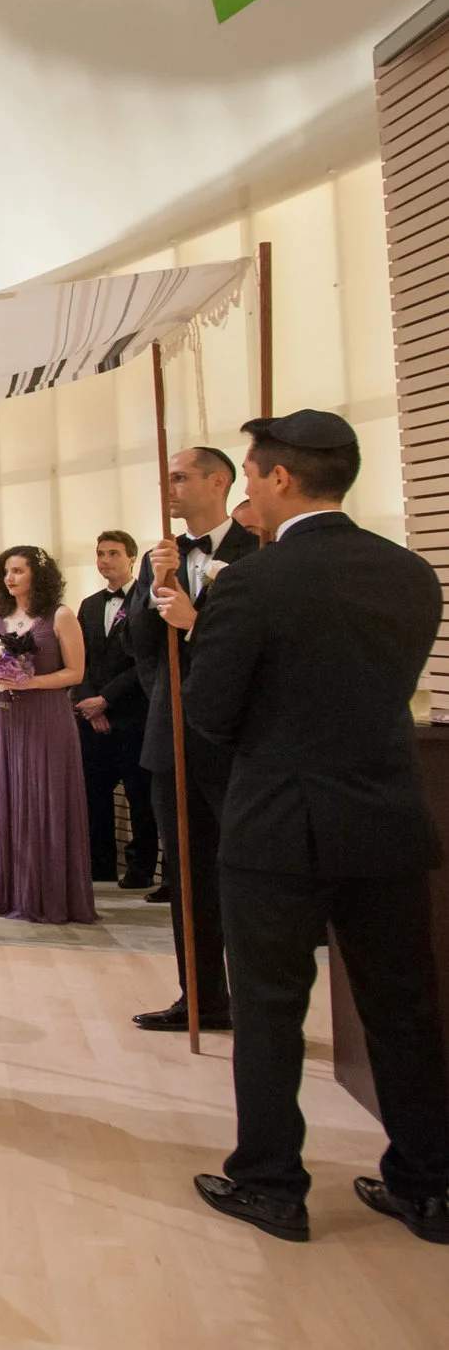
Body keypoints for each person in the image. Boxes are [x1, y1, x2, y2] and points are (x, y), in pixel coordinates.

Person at [182, 410, 449, 1245]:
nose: (249, 488)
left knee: (270, 1009)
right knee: (404, 1007)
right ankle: (429, 1184)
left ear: (280, 477)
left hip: (277, 824)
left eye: (251, 474)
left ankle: (270, 1183)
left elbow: (210, 710)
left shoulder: (252, 582)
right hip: (387, 817)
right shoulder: (411, 574)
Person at [124, 445, 258, 1032]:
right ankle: (202, 998)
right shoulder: (162, 556)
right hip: (171, 735)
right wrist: (155, 588)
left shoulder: (258, 553)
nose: (169, 487)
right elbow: (139, 647)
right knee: (186, 875)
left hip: (236, 742)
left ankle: (259, 1004)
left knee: (247, 876)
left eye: (179, 477)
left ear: (218, 481)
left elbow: (258, 649)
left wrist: (196, 624)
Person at [0, 546, 93, 924]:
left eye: (18, 571)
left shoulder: (60, 615)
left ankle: (46, 894)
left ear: (38, 576)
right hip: (3, 714)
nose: (9, 578)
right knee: (4, 794)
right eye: (6, 571)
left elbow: (75, 672)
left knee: (44, 795)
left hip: (46, 715)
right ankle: (7, 890)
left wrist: (31, 682)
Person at [74, 530, 156, 888]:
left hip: (132, 714)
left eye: (113, 553)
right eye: (100, 553)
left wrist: (106, 699)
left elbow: (145, 661)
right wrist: (90, 703)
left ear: (132, 558)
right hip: (92, 717)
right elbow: (80, 658)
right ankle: (100, 864)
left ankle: (141, 868)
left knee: (140, 796)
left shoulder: (146, 600)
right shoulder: (89, 605)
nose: (105, 560)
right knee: (94, 793)